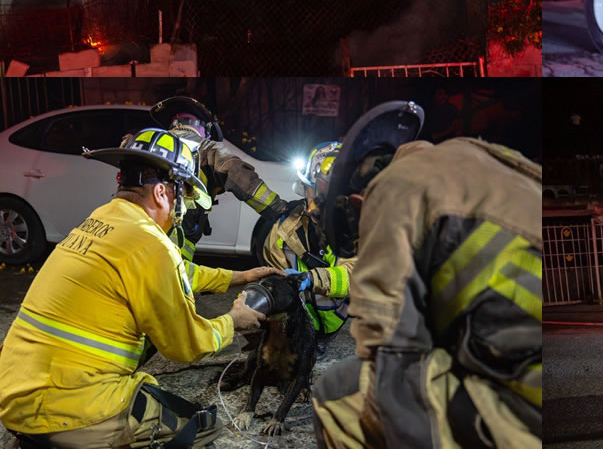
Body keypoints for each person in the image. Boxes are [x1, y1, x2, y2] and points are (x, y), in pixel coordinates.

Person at [0, 128, 267, 448]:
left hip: (15, 394)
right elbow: (186, 345)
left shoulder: (100, 221)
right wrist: (233, 321)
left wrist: (238, 277)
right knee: (201, 429)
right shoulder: (151, 244)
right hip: (69, 408)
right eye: (186, 199)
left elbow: (174, 273)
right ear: (163, 194)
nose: (183, 213)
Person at [309, 101, 541, 449]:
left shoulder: (391, 188)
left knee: (339, 394)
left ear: (358, 201)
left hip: (528, 411)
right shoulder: (473, 158)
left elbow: (389, 352)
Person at [149, 96, 288, 272]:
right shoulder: (206, 147)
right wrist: (278, 209)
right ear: (205, 129)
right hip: (174, 231)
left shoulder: (150, 142)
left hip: (134, 226)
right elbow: (238, 174)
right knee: (171, 282)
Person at [263, 140, 354, 338]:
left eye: (325, 194)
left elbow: (357, 277)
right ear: (304, 188)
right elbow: (275, 274)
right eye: (312, 191)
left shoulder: (356, 230)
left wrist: (312, 279)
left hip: (334, 319)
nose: (316, 203)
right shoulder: (284, 230)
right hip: (296, 320)